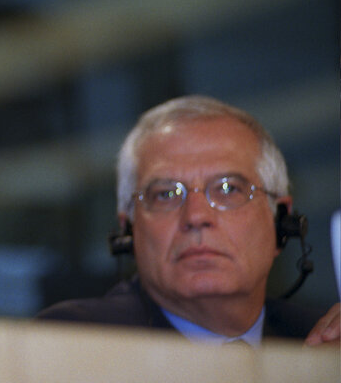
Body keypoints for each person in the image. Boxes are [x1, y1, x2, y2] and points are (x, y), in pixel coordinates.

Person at [37, 95, 339, 346]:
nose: (196, 216)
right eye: (166, 195)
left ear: (281, 223)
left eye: (227, 189)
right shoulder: (77, 341)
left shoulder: (317, 343)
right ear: (129, 232)